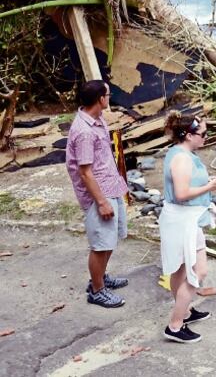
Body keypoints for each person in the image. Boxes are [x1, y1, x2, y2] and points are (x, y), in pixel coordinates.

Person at [65, 79, 129, 308]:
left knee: (109, 239)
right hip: (99, 193)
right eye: (108, 95)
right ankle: (97, 289)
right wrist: (101, 202)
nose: (109, 98)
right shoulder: (84, 131)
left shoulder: (95, 119)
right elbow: (85, 172)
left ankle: (100, 277)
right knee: (101, 244)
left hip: (110, 186)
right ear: (100, 99)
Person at [159, 112, 216, 344]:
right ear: (187, 135)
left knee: (181, 270)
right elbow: (182, 193)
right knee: (198, 271)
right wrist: (209, 187)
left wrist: (206, 184)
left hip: (185, 219)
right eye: (203, 134)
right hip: (182, 220)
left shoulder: (182, 153)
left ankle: (185, 311)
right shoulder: (182, 159)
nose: (205, 137)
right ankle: (175, 326)